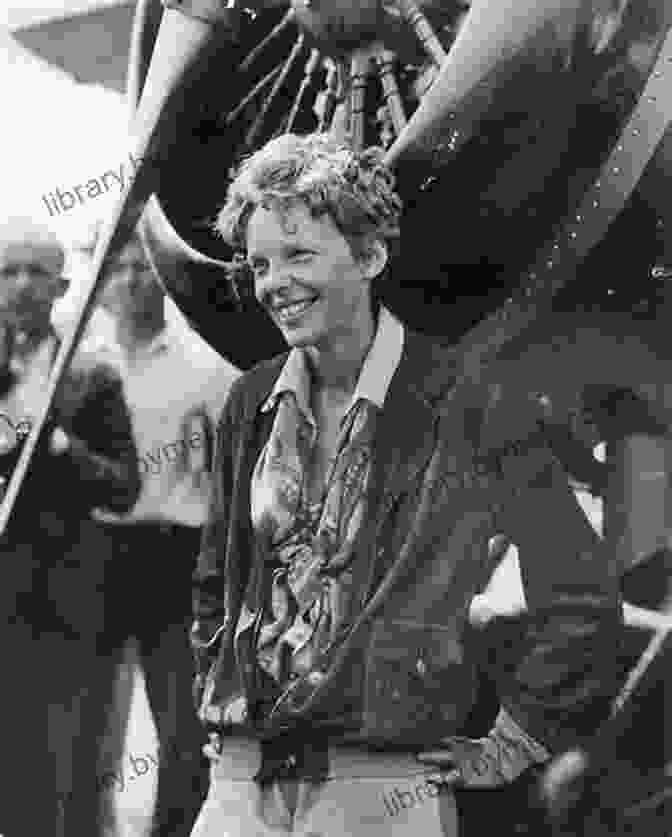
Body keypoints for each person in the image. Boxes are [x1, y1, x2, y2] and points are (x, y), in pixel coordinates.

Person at [187, 133, 622, 837]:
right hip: (240, 781)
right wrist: (221, 689)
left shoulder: (470, 400)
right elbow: (215, 580)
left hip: (379, 785)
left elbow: (578, 593)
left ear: (370, 256)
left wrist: (516, 739)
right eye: (261, 262)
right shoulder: (250, 401)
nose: (273, 283)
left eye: (299, 254)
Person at [63, 224, 240, 837]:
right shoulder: (81, 366)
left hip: (175, 553)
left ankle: (173, 829)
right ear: (101, 281)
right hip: (98, 550)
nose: (134, 279)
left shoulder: (208, 366)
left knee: (181, 724)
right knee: (90, 720)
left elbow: (224, 473)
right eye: (120, 269)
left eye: (145, 267)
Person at [0, 217, 141, 837]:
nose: (24, 284)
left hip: (63, 600)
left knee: (65, 757)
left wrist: (61, 447)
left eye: (38, 271)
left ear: (62, 287)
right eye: (9, 270)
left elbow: (125, 485)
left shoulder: (91, 375)